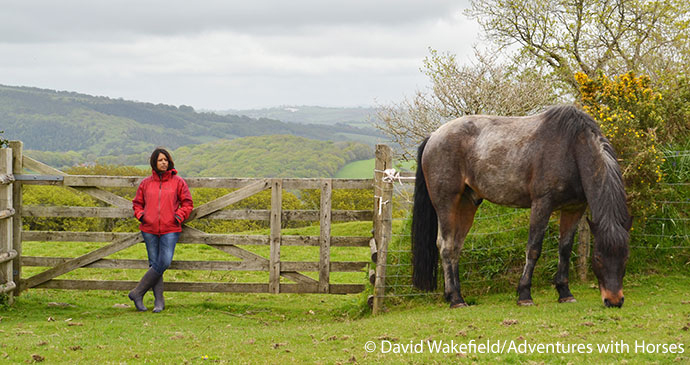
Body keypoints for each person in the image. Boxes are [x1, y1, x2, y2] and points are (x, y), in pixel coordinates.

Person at [130, 147, 193, 312]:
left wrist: (178, 216)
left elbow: (187, 203)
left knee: (164, 261)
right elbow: (137, 203)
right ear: (154, 163)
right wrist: (142, 216)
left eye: (165, 160)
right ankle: (159, 302)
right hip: (149, 228)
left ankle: (138, 292)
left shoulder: (178, 182)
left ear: (169, 161)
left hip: (170, 228)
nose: (163, 163)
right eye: (160, 160)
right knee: (154, 263)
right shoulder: (145, 183)